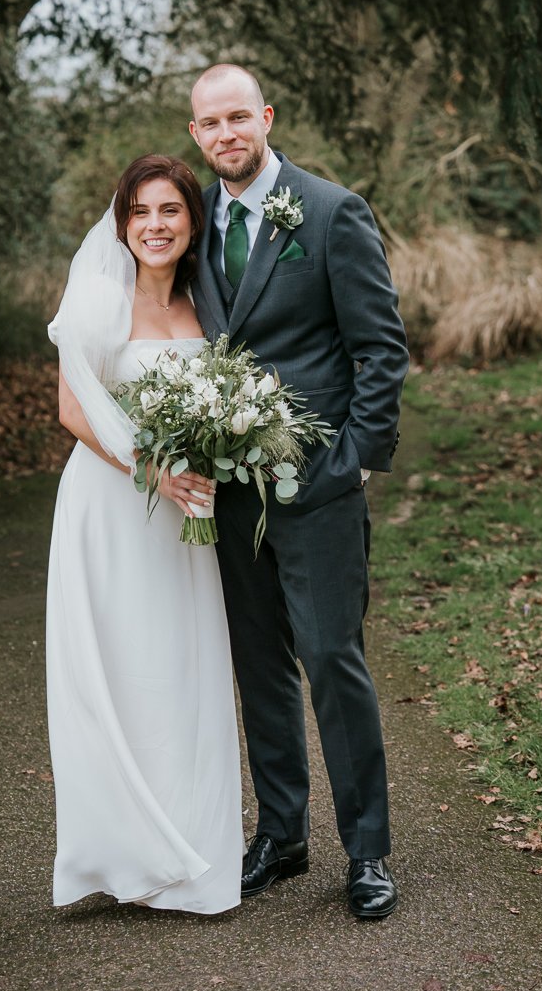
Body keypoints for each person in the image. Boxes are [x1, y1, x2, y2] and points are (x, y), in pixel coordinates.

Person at [189, 64, 409, 918]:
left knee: (330, 660)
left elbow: (379, 346)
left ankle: (367, 851)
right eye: (209, 125)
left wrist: (356, 457)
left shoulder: (330, 211)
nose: (225, 135)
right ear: (197, 136)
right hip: (231, 493)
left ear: (266, 118)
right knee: (258, 667)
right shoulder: (194, 219)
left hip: (316, 487)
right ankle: (280, 835)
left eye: (237, 117)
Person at [45, 155, 243, 915]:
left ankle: (191, 854)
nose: (154, 226)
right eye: (140, 213)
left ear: (191, 222)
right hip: (112, 506)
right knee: (117, 671)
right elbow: (71, 408)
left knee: (181, 671)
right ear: (121, 222)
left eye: (170, 211)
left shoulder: (204, 301)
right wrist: (152, 469)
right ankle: (118, 852)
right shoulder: (100, 296)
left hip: (184, 519)